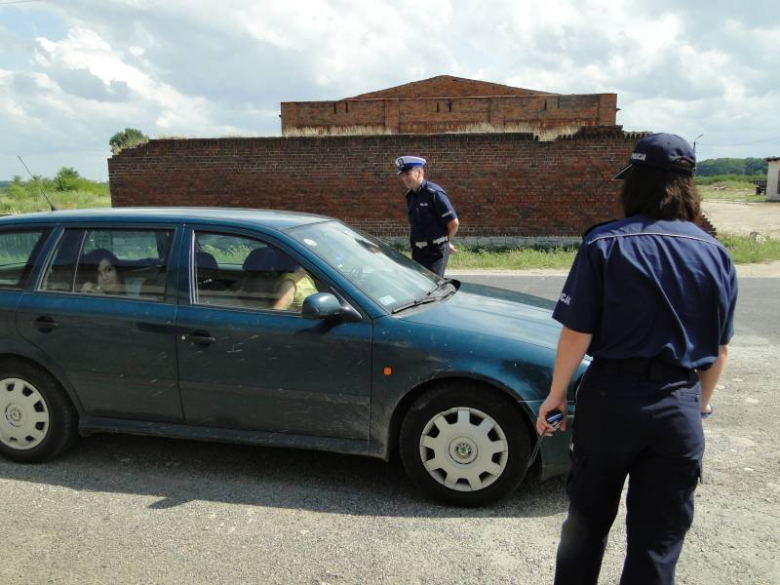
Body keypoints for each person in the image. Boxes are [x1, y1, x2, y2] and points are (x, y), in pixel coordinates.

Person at [536, 133, 738, 585]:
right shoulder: (715, 254)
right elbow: (719, 350)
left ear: (636, 185)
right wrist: (697, 405)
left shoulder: (604, 244)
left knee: (585, 528)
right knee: (658, 541)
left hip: (610, 400)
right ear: (688, 188)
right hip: (677, 405)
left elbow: (576, 334)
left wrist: (555, 396)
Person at [395, 156, 459, 276]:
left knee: (432, 288)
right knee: (419, 286)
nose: (404, 178)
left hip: (435, 253)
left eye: (407, 174)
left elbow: (453, 223)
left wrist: (445, 242)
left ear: (419, 172)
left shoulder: (434, 193)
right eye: (402, 175)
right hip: (418, 251)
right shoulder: (410, 196)